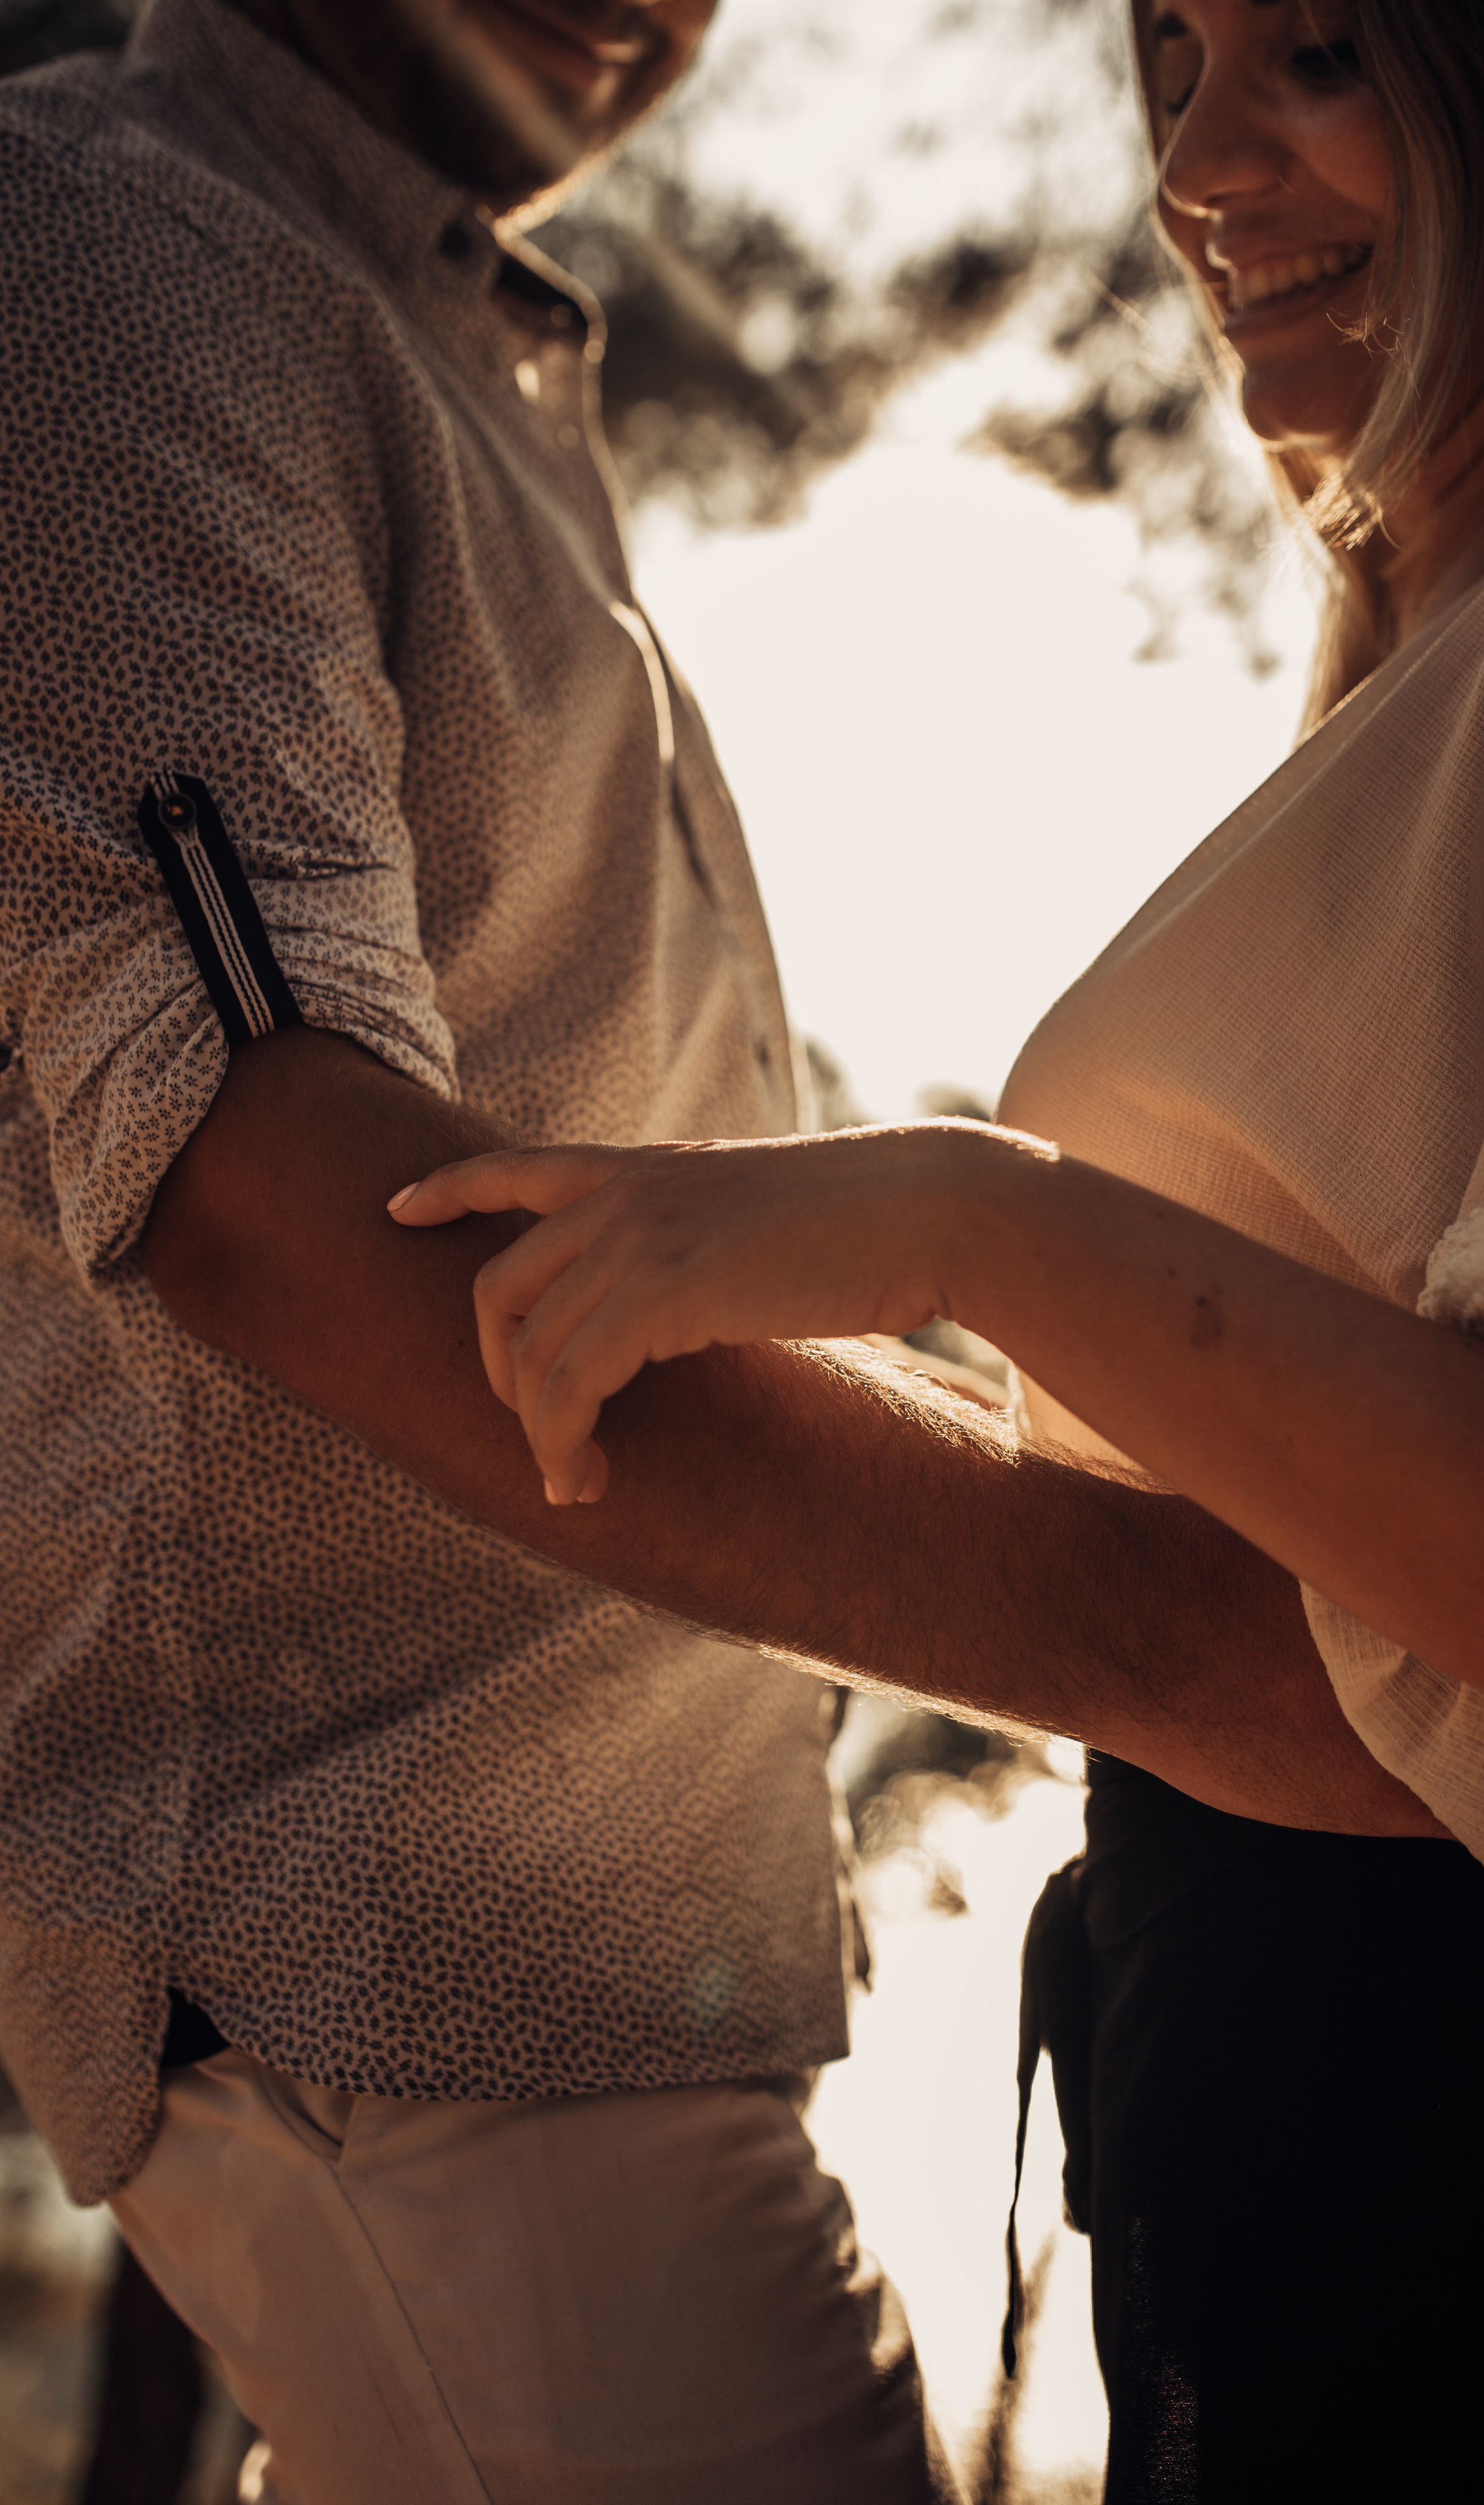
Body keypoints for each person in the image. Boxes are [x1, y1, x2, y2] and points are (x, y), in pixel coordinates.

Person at [390, 1, 1484, 2495]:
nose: (1203, 162)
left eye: (1312, 52)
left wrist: (962, 1211)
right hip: (1328, 2144)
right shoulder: (1436, 624)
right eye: (1169, 64)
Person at [0, 2, 966, 2497]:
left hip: (580, 1980)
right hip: (400, 1963)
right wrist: (1186, 1647)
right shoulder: (122, 242)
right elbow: (278, 1190)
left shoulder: (434, 330)